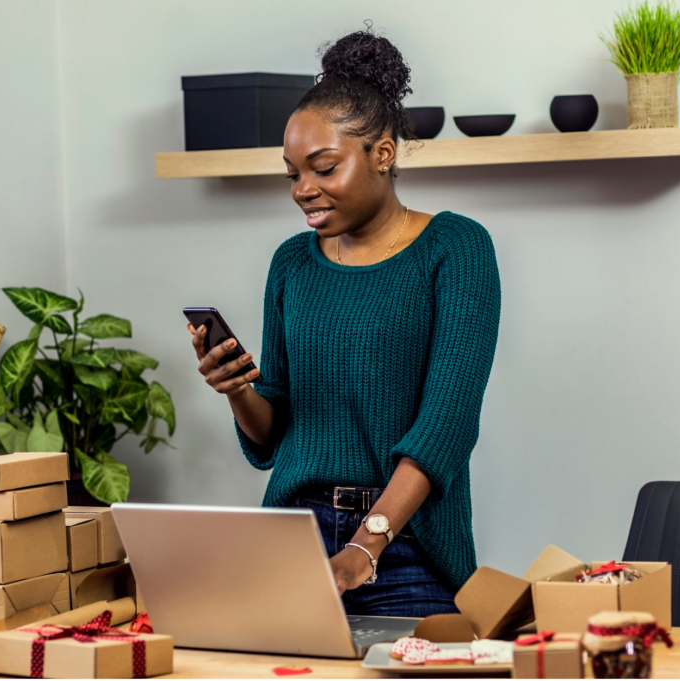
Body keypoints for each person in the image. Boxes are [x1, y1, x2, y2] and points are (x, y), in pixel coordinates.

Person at [186, 28, 501, 618]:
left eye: (323, 168)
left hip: (407, 548)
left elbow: (446, 427)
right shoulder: (291, 264)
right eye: (292, 174)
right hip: (291, 541)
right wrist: (237, 390)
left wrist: (366, 544)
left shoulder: (456, 250)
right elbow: (272, 434)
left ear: (382, 154)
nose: (304, 190)